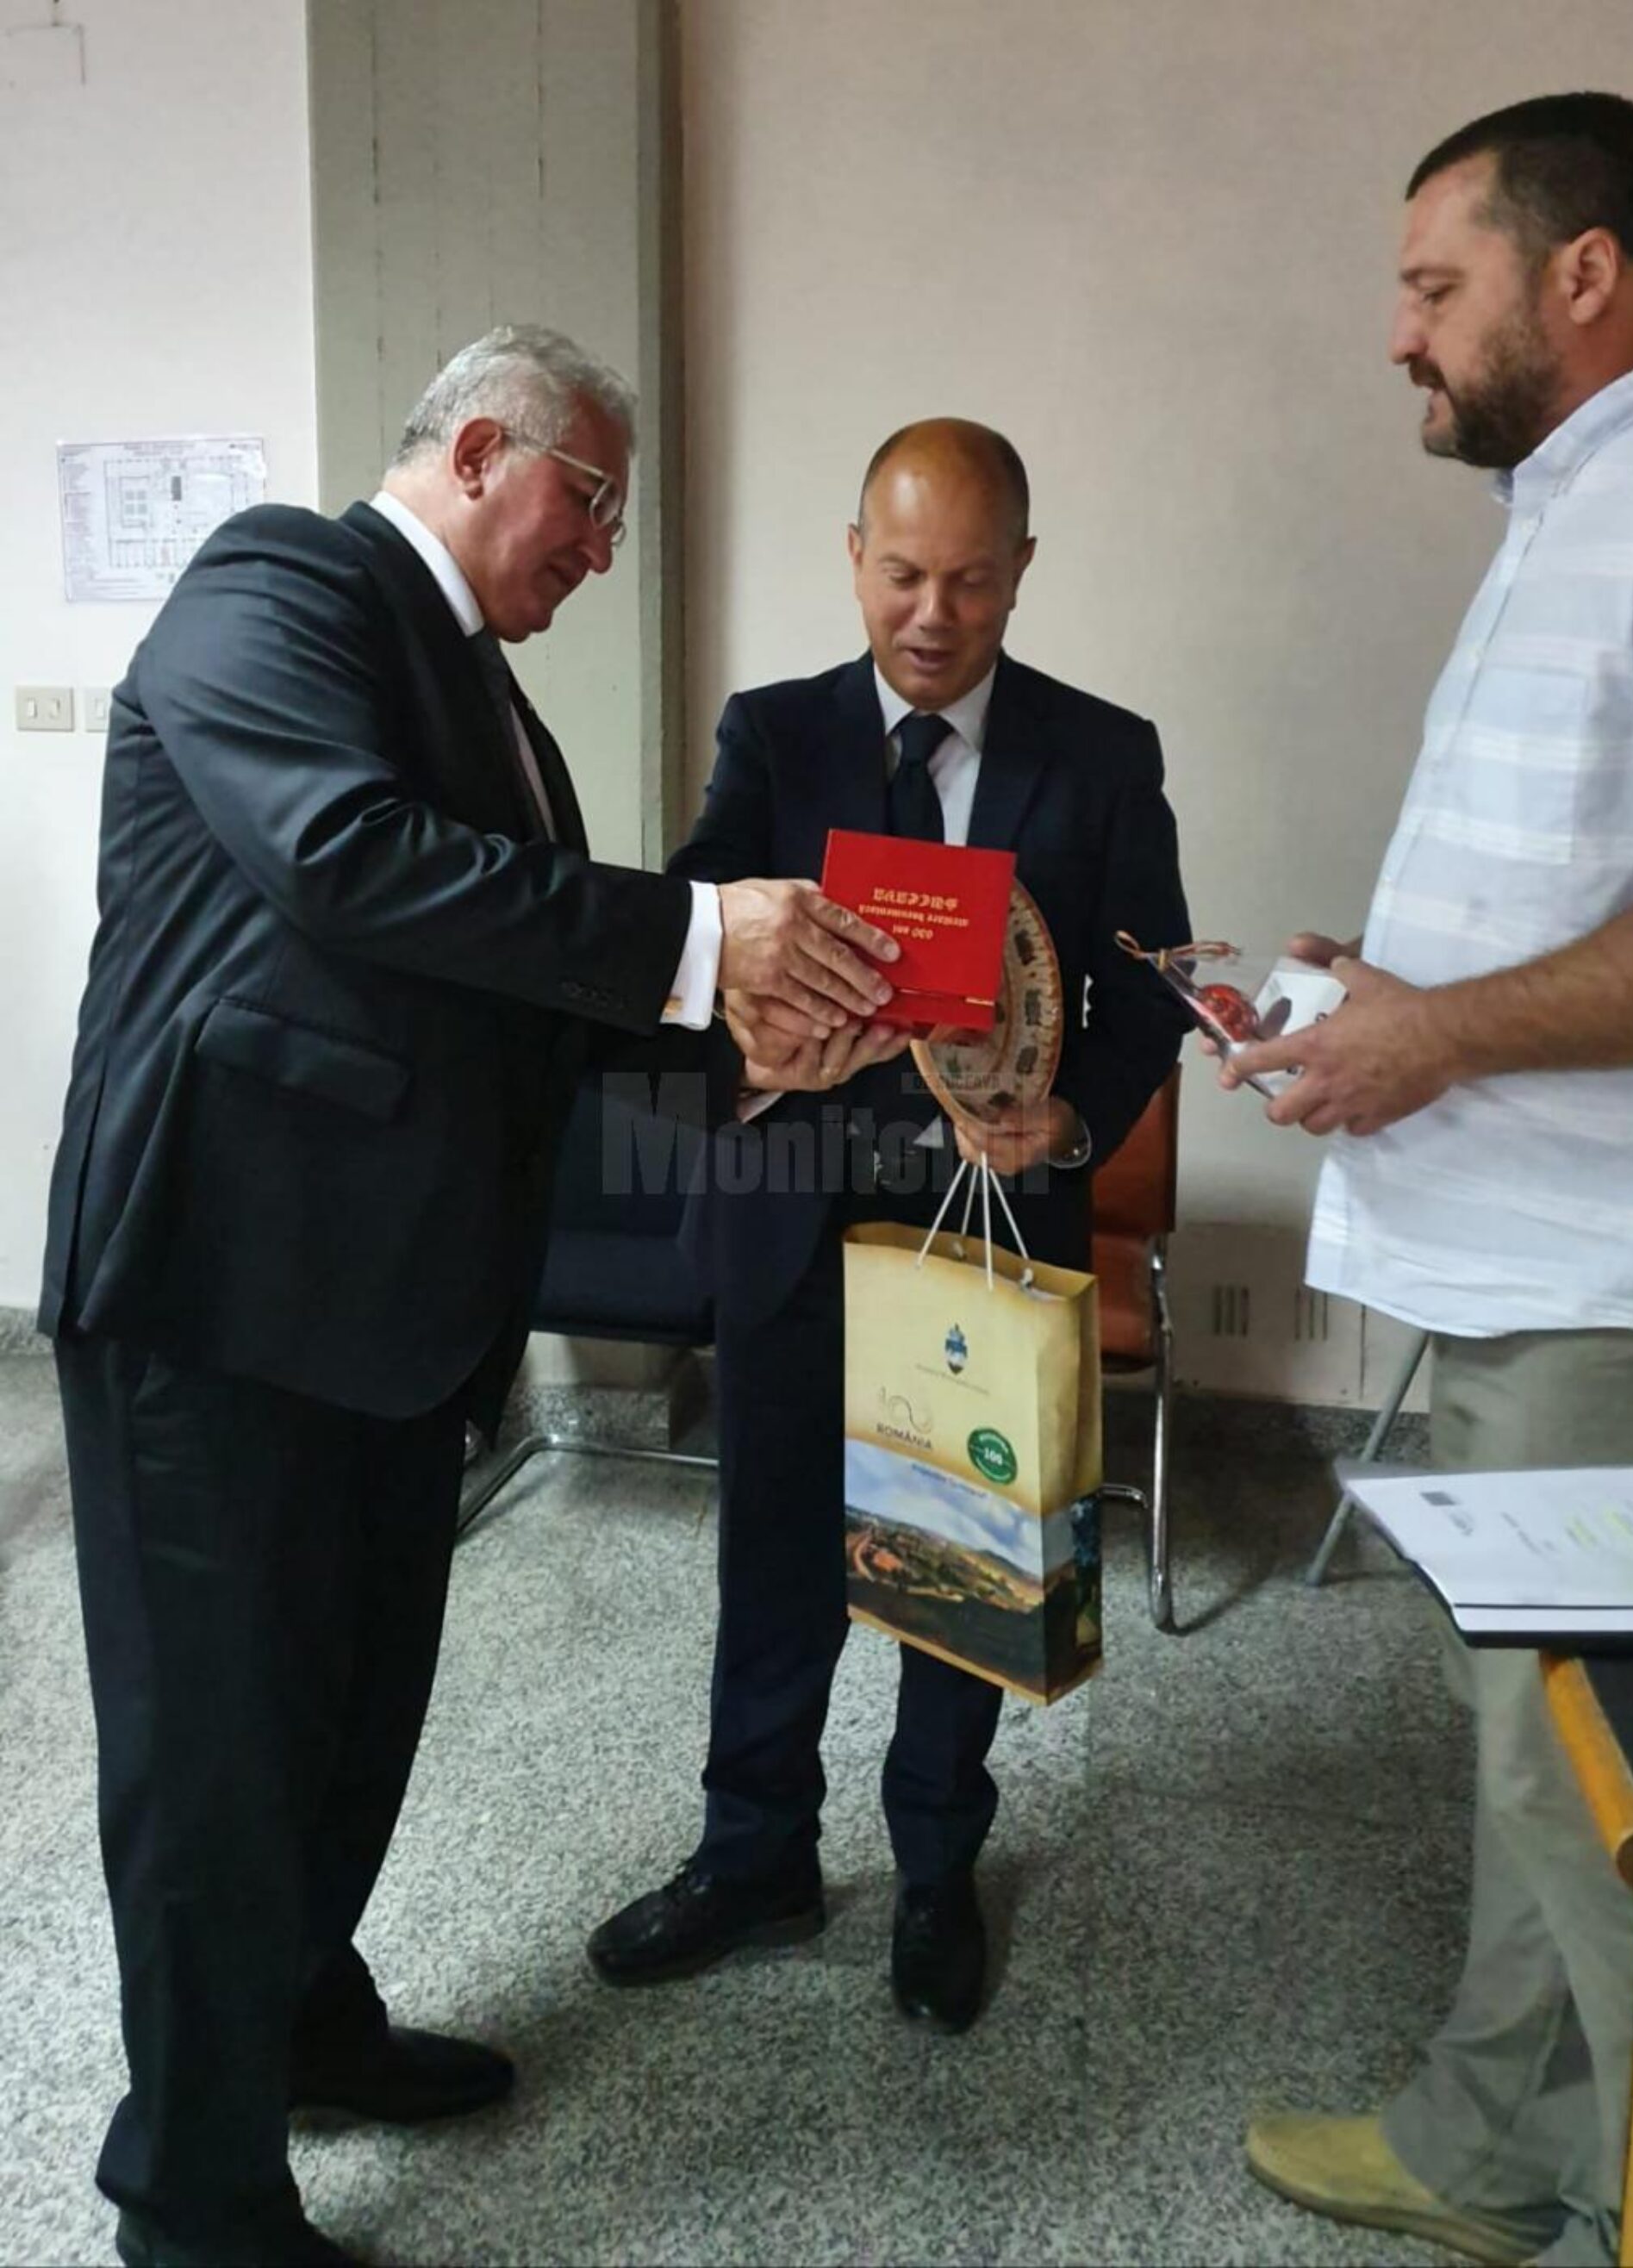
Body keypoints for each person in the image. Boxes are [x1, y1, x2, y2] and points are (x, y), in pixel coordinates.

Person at [39, 324, 900, 2268]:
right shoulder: (281, 580)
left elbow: (526, 996)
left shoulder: (505, 713)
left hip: (390, 1314)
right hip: (219, 1293)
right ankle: (189, 2197)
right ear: (485, 448)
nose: (599, 548)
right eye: (591, 502)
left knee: (349, 1715)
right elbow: (345, 859)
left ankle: (302, 2024)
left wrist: (751, 1048)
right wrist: (705, 935)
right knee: (218, 1755)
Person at [587, 418, 1190, 2033]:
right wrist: (754, 1028)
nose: (934, 614)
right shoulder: (774, 734)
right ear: (855, 559)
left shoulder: (1101, 752)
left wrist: (1071, 1119)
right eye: (904, 573)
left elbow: (1146, 988)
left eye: (972, 582)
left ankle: (936, 1866)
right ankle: (754, 1857)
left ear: (1023, 573)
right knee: (775, 1557)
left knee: (960, 1565)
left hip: (988, 1221)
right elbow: (697, 938)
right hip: (792, 1210)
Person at [1233, 97, 1633, 2268]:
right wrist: (1383, 990)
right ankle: (1497, 2141)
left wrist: (1438, 1034)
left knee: (1598, 1797)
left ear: (1581, 273)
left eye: (1432, 285)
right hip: (1528, 1260)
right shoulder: (1566, 503)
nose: (1400, 333)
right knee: (1529, 1760)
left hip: (1609, 1286)